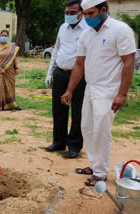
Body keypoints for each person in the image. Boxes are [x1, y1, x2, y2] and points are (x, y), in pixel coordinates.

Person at [61, 0, 136, 186]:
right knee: (87, 128)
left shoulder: (120, 30)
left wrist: (122, 94)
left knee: (101, 131)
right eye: (84, 14)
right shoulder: (86, 35)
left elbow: (129, 61)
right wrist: (69, 90)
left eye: (91, 14)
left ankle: (101, 174)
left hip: (110, 90)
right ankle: (95, 166)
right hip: (91, 88)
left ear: (103, 10)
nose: (87, 18)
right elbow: (79, 65)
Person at [45, 0, 88, 159]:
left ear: (81, 12)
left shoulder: (87, 29)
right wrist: (50, 73)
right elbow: (56, 50)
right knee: (58, 110)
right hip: (60, 73)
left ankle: (74, 145)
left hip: (79, 75)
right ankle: (58, 142)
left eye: (73, 13)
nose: (69, 16)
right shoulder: (62, 28)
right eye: (67, 13)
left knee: (77, 111)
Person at [0, 30, 21, 111]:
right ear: (0, 36)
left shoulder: (11, 47)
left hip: (9, 71)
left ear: (8, 37)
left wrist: (16, 68)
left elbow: (14, 58)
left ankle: (12, 104)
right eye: (3, 35)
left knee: (10, 87)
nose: (4, 37)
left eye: (6, 35)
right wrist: (0, 69)